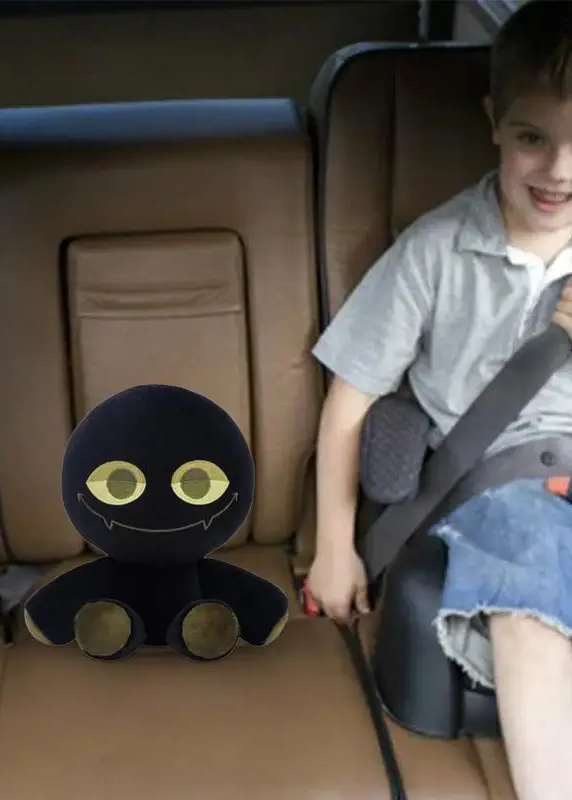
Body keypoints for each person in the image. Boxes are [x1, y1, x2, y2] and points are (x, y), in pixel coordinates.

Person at [307, 2, 572, 798]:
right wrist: (334, 547)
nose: (559, 169)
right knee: (527, 561)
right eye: (533, 138)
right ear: (494, 124)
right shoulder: (435, 250)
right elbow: (348, 402)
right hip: (492, 485)